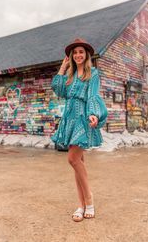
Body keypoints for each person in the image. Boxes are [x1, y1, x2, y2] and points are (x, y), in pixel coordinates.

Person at [51, 38, 108, 222]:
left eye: (81, 52)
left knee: (73, 159)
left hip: (83, 119)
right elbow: (58, 90)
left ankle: (89, 200)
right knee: (77, 164)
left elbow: (93, 95)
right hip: (69, 118)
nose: (78, 55)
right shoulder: (70, 75)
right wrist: (62, 68)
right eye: (74, 52)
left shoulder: (93, 73)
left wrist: (94, 114)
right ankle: (81, 205)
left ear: (87, 54)